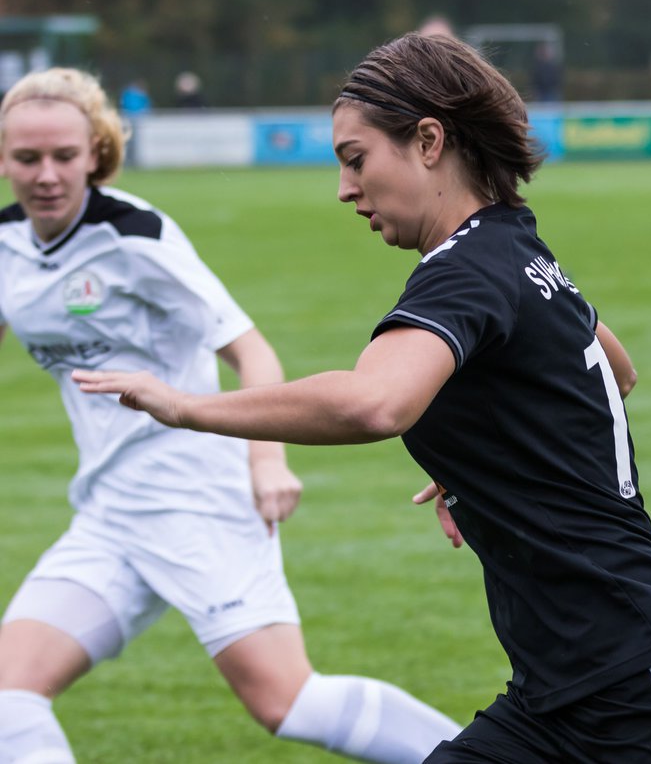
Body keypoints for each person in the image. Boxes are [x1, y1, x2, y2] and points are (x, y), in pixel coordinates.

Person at [74, 32, 651, 764]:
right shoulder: (516, 246)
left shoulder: (465, 269)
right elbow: (616, 366)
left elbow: (372, 404)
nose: (345, 190)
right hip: (555, 699)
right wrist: (477, 452)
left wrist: (186, 406)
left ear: (426, 141)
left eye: (356, 161)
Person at [0, 68, 460, 763]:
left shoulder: (135, 236)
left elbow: (252, 351)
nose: (46, 175)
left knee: (287, 702)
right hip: (108, 514)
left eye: (64, 156)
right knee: (8, 697)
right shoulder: (5, 245)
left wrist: (267, 463)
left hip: (199, 501)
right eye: (26, 158)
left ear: (95, 152)